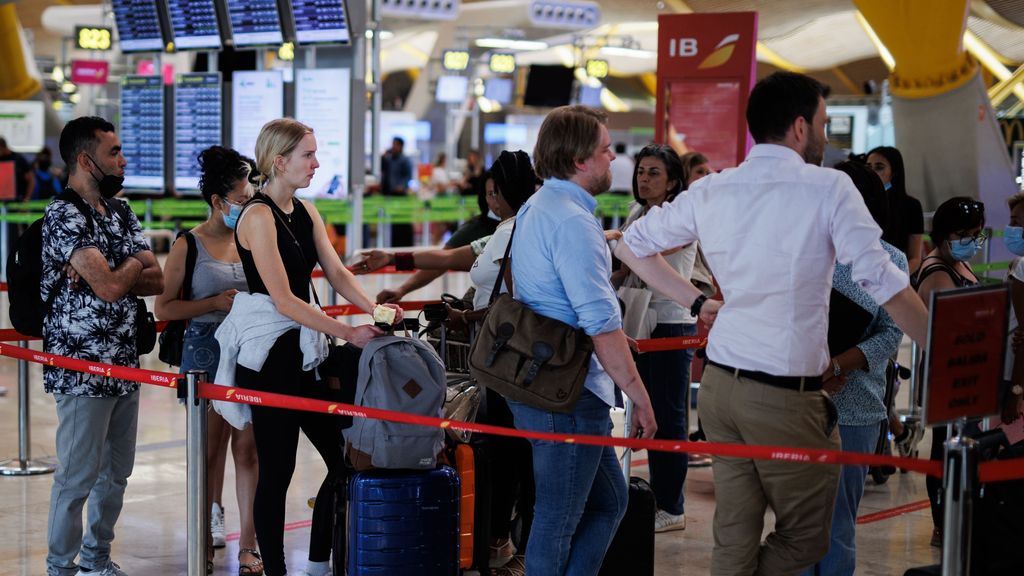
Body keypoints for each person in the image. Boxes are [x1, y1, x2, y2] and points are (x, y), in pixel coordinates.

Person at [616, 71, 928, 575]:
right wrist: (943, 343)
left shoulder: (714, 188)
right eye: (825, 124)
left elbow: (632, 245)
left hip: (721, 390)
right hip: (785, 397)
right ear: (801, 128)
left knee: (734, 541)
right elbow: (882, 279)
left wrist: (696, 303)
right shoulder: (828, 187)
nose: (827, 138)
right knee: (809, 538)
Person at [234, 118, 401, 576]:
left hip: (307, 354)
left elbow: (338, 272)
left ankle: (328, 556)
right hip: (273, 361)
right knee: (278, 470)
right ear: (279, 160)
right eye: (308, 155)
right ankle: (275, 568)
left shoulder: (305, 212)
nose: (316, 162)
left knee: (344, 458)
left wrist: (376, 309)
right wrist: (347, 332)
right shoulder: (257, 216)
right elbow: (284, 299)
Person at [505, 105, 659, 575]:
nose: (614, 158)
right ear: (578, 161)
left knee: (609, 503)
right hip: (566, 393)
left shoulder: (539, 206)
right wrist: (641, 399)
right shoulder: (571, 221)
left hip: (545, 381)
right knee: (558, 517)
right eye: (605, 150)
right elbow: (600, 323)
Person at [43, 116, 164, 576]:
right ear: (84, 159)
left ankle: (96, 558)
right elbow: (115, 287)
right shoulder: (63, 214)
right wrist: (130, 265)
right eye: (113, 151)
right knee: (76, 478)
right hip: (80, 366)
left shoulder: (121, 211)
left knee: (116, 474)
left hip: (125, 362)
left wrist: (121, 266)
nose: (123, 159)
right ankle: (61, 567)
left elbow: (156, 277)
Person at [153, 146, 261, 576]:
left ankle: (249, 543)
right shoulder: (189, 244)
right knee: (211, 448)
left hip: (250, 351)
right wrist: (215, 301)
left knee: (249, 449)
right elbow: (164, 308)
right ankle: (209, 520)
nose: (248, 200)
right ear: (218, 201)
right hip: (205, 353)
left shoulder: (255, 238)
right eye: (241, 196)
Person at [802, 161, 907, 576]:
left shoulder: (890, 259)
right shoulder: (806, 249)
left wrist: (837, 364)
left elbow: (891, 335)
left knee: (837, 525)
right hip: (797, 402)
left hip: (855, 405)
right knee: (795, 525)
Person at [612, 144, 697, 533]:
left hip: (671, 324)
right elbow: (625, 264)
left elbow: (642, 252)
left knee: (667, 416)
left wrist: (614, 242)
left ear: (673, 182)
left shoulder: (677, 218)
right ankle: (647, 497)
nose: (644, 179)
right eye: (641, 172)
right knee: (641, 412)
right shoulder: (636, 212)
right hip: (638, 320)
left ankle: (672, 505)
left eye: (654, 174)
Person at [913, 196, 984, 548]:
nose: (970, 240)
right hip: (946, 372)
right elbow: (950, 330)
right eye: (962, 233)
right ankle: (942, 522)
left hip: (965, 370)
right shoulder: (938, 271)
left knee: (958, 445)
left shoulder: (955, 263)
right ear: (943, 234)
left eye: (975, 233)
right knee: (944, 448)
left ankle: (955, 518)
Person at [374, 172, 499, 304]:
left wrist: (392, 260)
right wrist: (399, 281)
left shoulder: (513, 229)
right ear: (484, 197)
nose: (497, 199)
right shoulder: (478, 228)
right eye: (491, 194)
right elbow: (444, 259)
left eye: (500, 192)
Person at [867, 146, 924, 274]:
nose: (872, 172)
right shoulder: (859, 203)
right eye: (868, 167)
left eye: (879, 167)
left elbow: (914, 258)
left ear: (894, 173)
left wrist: (895, 281)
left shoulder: (911, 206)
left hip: (896, 278)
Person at [380, 136, 414, 247]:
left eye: (395, 144)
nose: (393, 146)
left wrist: (402, 186)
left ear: (400, 146)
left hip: (401, 195)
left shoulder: (405, 160)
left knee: (402, 222)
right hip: (390, 195)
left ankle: (404, 244)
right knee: (394, 223)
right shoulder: (389, 159)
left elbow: (408, 176)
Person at [0, 136, 34, 201]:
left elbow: (31, 180)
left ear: (2, 147)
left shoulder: (18, 159)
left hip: (18, 201)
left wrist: (27, 197)